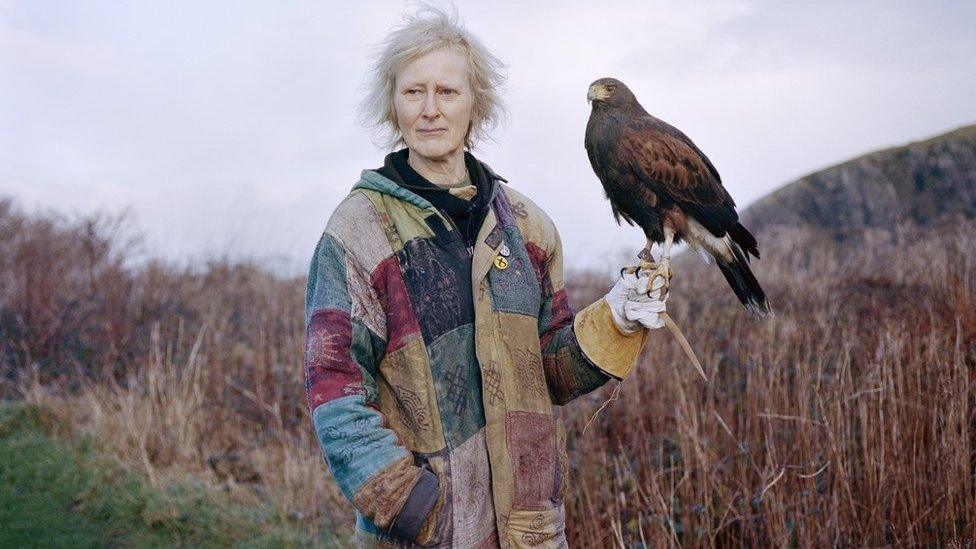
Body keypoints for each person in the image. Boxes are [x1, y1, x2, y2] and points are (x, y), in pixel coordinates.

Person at [304, 6, 667, 548]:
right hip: (424, 535)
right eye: (413, 93)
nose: (430, 111)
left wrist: (614, 318)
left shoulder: (529, 228)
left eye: (448, 92)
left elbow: (551, 372)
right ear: (392, 103)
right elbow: (333, 386)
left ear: (476, 104)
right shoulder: (358, 232)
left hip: (530, 532)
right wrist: (409, 505)